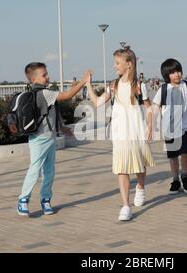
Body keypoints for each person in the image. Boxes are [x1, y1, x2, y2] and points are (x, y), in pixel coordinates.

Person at [86, 47, 155, 221]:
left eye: (117, 62)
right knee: (122, 168)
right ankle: (126, 205)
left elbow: (149, 109)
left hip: (136, 130)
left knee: (139, 164)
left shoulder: (139, 86)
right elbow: (98, 102)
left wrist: (149, 127)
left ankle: (140, 187)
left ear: (129, 65)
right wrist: (88, 85)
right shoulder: (113, 85)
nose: (114, 65)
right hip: (120, 132)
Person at [17, 62, 92, 217]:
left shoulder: (40, 92)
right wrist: (84, 81)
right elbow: (68, 95)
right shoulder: (44, 93)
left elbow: (49, 113)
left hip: (48, 138)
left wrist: (62, 128)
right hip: (39, 139)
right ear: (34, 79)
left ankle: (46, 200)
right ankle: (23, 200)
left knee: (49, 171)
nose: (48, 76)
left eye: (46, 73)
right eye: (44, 75)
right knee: (35, 170)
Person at [152, 59, 187, 195]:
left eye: (178, 71)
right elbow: (155, 105)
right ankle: (175, 179)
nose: (176, 74)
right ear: (167, 75)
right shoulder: (164, 89)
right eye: (172, 73)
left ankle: (185, 176)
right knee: (172, 155)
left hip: (186, 126)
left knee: (185, 152)